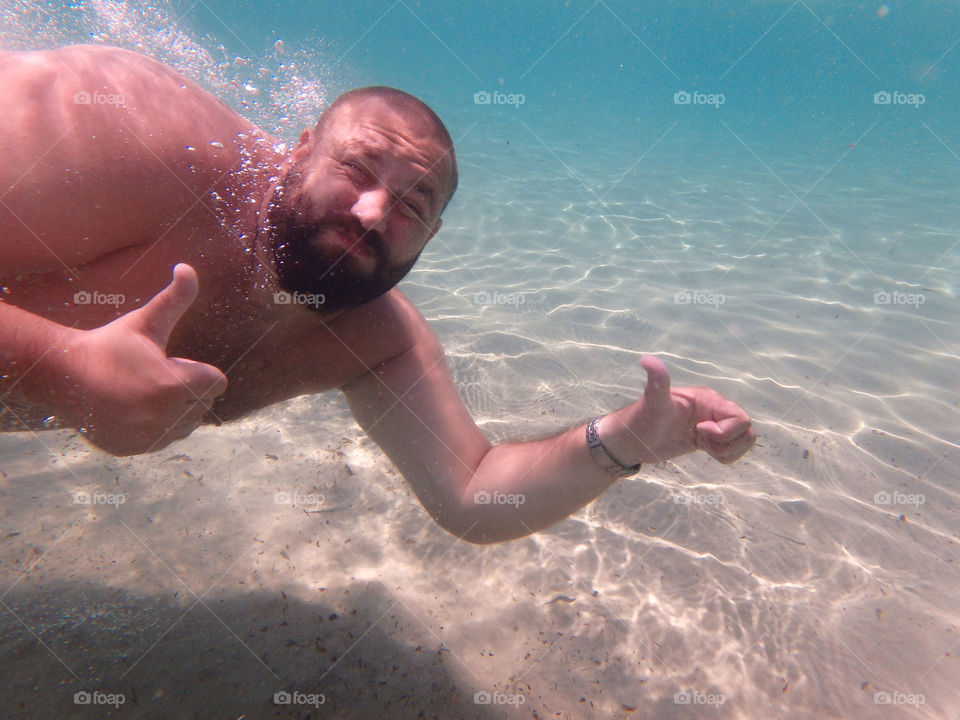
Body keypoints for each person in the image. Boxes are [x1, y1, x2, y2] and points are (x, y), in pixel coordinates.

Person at [0, 45, 756, 543]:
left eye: (414, 206)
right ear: (298, 150)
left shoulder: (376, 338)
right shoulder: (131, 136)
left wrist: (620, 444)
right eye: (358, 170)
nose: (372, 214)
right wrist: (60, 367)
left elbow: (473, 494)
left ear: (431, 240)